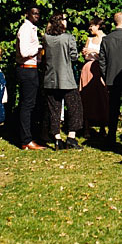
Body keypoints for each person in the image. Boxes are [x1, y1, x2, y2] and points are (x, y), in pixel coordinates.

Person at [42, 13, 83, 150]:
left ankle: (57, 139)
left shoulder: (46, 38)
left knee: (54, 109)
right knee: (75, 107)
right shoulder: (68, 38)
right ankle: (71, 137)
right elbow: (74, 56)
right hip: (67, 79)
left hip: (50, 78)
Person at [99, 12, 122, 145]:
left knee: (113, 107)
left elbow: (102, 62)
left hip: (112, 78)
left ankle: (111, 135)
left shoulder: (106, 39)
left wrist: (105, 75)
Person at [16, 6, 45, 151]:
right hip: (26, 70)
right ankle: (26, 139)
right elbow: (24, 51)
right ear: (27, 14)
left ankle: (29, 136)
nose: (37, 16)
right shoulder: (26, 29)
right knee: (27, 105)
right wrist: (39, 48)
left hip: (32, 69)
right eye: (34, 13)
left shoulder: (32, 28)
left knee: (31, 104)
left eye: (38, 14)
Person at [79, 17, 110, 140]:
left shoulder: (106, 39)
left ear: (98, 26)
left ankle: (103, 126)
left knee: (101, 97)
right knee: (86, 97)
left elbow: (107, 56)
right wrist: (85, 52)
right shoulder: (89, 39)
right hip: (88, 68)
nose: (90, 28)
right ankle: (86, 126)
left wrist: (94, 51)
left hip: (100, 69)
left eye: (92, 25)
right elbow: (86, 55)